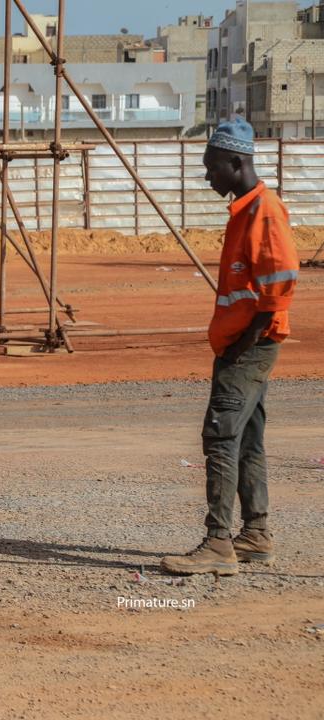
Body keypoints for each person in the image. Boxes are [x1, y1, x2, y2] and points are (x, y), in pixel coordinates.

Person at [161, 117, 298, 576]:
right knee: (247, 439)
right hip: (243, 344)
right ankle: (256, 533)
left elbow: (279, 285)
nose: (207, 176)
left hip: (249, 347)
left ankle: (219, 543)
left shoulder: (265, 211)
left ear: (236, 163)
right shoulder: (245, 211)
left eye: (212, 167)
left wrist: (246, 341)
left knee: (220, 436)